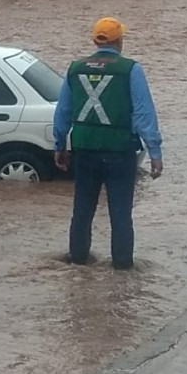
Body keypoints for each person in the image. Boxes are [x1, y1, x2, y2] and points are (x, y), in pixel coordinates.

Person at [53, 17, 163, 270]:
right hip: (120, 150)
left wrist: (59, 145)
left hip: (84, 150)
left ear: (95, 41)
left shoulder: (75, 68)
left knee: (82, 210)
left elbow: (63, 112)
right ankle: (122, 269)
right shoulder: (131, 69)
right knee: (121, 214)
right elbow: (143, 114)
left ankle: (77, 263)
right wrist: (155, 152)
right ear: (119, 41)